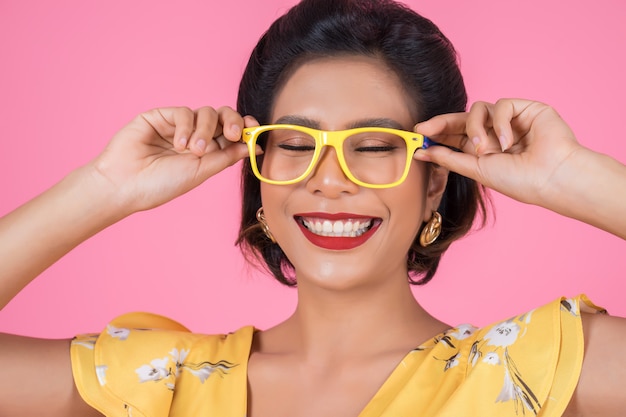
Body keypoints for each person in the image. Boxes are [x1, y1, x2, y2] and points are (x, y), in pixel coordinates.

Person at [1, 0, 625, 416]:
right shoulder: (160, 380)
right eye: (297, 145)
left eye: (375, 146)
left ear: (434, 182)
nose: (330, 180)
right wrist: (106, 187)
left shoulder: (536, 369)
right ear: (260, 168)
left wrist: (575, 176)